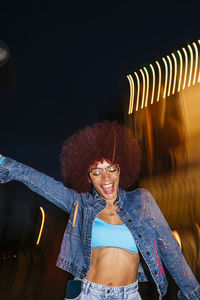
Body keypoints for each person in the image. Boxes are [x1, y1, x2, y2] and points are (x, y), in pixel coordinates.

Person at [0, 120, 199, 300]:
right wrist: (4, 163)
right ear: (88, 178)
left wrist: (192, 293)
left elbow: (170, 249)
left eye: (111, 170)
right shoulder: (80, 204)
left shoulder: (142, 201)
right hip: (89, 294)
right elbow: (39, 181)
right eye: (97, 172)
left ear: (120, 171)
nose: (106, 179)